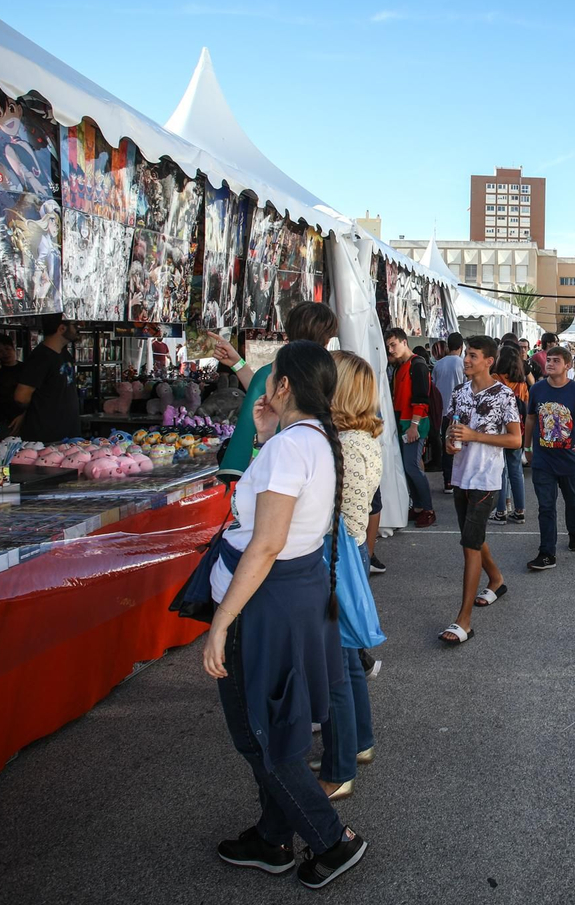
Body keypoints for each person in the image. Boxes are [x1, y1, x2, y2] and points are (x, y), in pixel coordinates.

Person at [201, 341, 367, 888]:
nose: (264, 384)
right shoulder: (311, 439)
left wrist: (222, 621)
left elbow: (267, 542)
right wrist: (268, 435)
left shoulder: (294, 447)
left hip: (265, 603)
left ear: (285, 386)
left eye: (270, 376)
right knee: (274, 724)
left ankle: (332, 839)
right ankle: (272, 837)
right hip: (293, 594)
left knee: (261, 734)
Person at [314, 351, 383, 798]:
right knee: (347, 658)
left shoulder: (341, 444)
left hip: (332, 555)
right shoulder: (360, 438)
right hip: (347, 552)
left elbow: (324, 514)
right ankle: (358, 743)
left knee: (335, 667)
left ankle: (338, 770)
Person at [440, 336, 522, 645]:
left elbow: (515, 440)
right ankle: (496, 579)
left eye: (473, 355)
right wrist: (449, 443)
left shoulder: (504, 395)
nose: (466, 359)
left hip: (486, 480)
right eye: (467, 354)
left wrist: (475, 436)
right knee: (471, 537)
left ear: (489, 361)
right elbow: (451, 430)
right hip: (460, 476)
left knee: (470, 545)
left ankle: (464, 620)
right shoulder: (459, 392)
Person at [213, 302, 339, 477]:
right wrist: (237, 364)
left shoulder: (276, 370)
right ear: (327, 339)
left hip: (271, 466)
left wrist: (238, 364)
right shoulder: (330, 371)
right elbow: (264, 394)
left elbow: (263, 392)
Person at [525, 345, 575, 571]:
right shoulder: (537, 389)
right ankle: (547, 553)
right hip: (543, 460)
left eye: (556, 360)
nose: (550, 363)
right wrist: (526, 446)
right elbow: (530, 419)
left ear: (567, 365)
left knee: (573, 502)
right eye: (549, 359)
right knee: (546, 507)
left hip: (569, 459)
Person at [383, 328, 437, 528]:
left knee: (412, 467)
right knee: (408, 468)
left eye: (393, 344)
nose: (391, 349)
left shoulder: (418, 365)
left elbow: (421, 399)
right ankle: (420, 507)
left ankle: (428, 509)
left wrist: (414, 425)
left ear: (404, 342)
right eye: (388, 346)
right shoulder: (401, 366)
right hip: (404, 422)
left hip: (413, 422)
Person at [10, 313, 81, 443]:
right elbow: (21, 396)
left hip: (68, 433)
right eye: (74, 325)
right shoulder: (41, 357)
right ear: (62, 328)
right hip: (48, 435)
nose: (78, 328)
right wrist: (25, 412)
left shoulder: (64, 353)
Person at [490, 343, 530, 524]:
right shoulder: (522, 383)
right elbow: (526, 406)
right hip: (517, 429)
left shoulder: (495, 379)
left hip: (499, 429)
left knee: (500, 469)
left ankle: (501, 511)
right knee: (516, 470)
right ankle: (519, 510)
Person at [432, 331, 466, 493]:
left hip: (443, 410)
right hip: (460, 411)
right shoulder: (463, 364)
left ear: (447, 346)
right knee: (461, 445)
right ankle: (460, 480)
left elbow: (433, 386)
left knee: (447, 445)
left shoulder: (438, 364)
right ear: (461, 347)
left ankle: (448, 481)